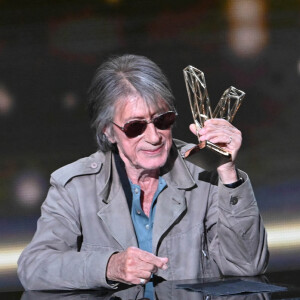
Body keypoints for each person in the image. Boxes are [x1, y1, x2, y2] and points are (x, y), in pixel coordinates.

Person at [17, 54, 268, 290]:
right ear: (108, 131)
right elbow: (34, 267)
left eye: (163, 120)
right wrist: (109, 266)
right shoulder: (75, 186)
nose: (154, 137)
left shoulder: (205, 172)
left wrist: (227, 172)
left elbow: (247, 267)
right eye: (135, 126)